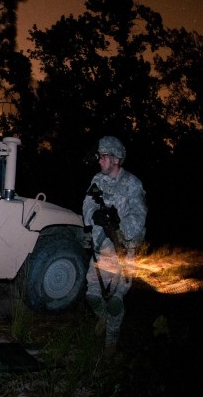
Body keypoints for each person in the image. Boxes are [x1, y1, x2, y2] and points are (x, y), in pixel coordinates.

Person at [82, 136, 147, 356]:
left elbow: (140, 216)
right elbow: (87, 205)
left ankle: (111, 342)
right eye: (99, 156)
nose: (99, 160)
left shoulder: (132, 184)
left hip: (123, 252)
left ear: (116, 159)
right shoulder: (97, 180)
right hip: (101, 250)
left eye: (104, 157)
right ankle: (103, 319)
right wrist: (95, 215)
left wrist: (119, 223)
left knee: (116, 302)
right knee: (91, 295)